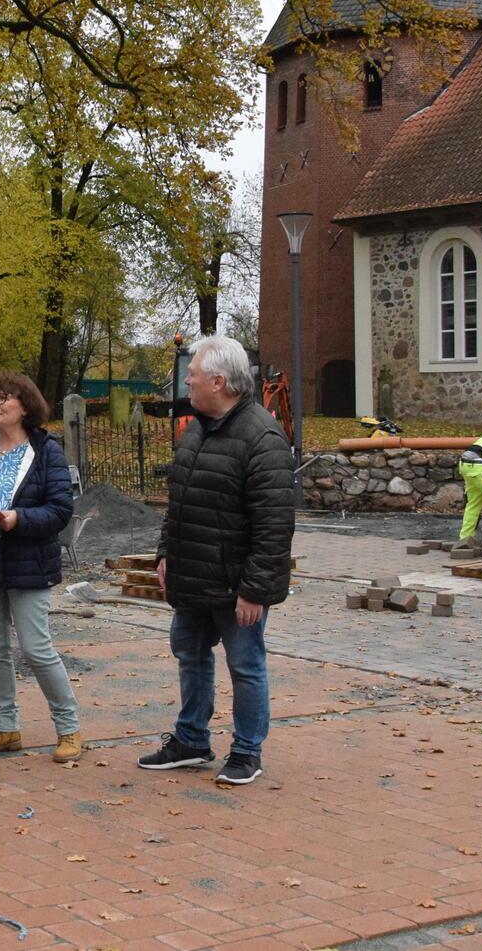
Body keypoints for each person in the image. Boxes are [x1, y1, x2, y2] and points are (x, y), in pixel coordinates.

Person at [141, 334, 295, 786]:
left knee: (245, 666)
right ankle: (191, 740)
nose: (185, 380)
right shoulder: (196, 429)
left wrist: (255, 590)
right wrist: (166, 553)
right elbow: (179, 501)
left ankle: (248, 751)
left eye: (192, 374)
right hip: (193, 576)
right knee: (190, 654)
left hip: (235, 584)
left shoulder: (263, 438)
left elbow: (274, 525)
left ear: (220, 381)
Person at [0, 370, 82, 764]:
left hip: (27, 567)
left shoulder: (45, 453)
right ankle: (6, 728)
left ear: (25, 405)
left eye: (3, 397)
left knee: (36, 649)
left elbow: (60, 511)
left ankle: (69, 728)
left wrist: (17, 519)